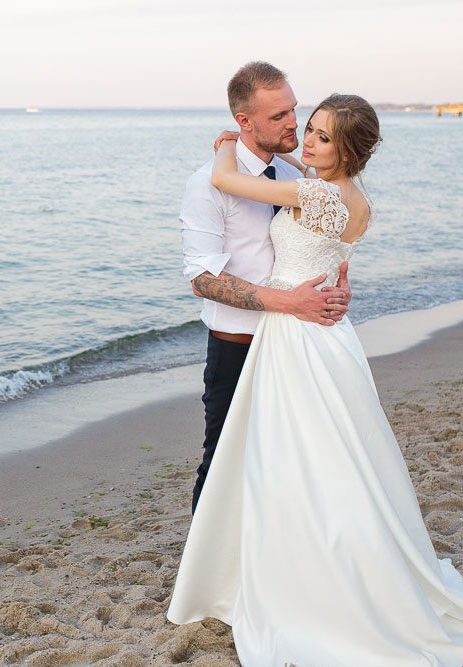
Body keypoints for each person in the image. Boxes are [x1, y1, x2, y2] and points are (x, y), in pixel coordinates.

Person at [167, 92, 463, 665]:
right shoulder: (356, 202)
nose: (306, 140)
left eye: (322, 136)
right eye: (307, 128)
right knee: (334, 457)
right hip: (331, 338)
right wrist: (335, 284)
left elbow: (226, 181)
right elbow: (334, 261)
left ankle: (299, 571)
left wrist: (226, 141)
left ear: (348, 149)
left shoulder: (310, 192)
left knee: (291, 459)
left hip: (296, 338)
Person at [181, 61, 352, 514]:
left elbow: (316, 251)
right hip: (238, 348)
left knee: (294, 464)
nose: (294, 122)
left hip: (298, 347)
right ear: (244, 122)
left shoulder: (300, 177)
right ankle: (205, 578)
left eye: (294, 110)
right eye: (279, 116)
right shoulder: (208, 184)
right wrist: (290, 303)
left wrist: (336, 288)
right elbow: (202, 278)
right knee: (222, 465)